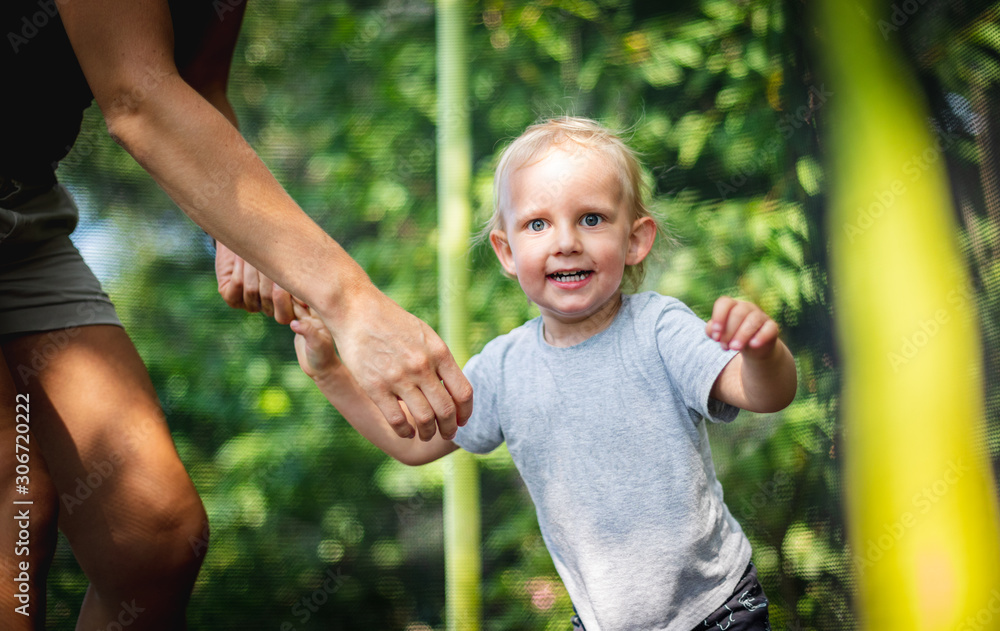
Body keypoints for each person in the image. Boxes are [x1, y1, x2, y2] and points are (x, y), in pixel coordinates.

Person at [1, 1, 471, 629]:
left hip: (21, 208)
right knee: (16, 508)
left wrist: (240, 233)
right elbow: (136, 96)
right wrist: (354, 303)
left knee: (154, 540)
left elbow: (195, 88)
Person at [289, 117, 798, 630]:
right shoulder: (504, 368)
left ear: (636, 240)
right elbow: (415, 444)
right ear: (507, 251)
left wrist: (762, 353)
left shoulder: (659, 329)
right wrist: (331, 371)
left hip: (717, 609)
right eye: (538, 224)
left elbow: (764, 393)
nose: (566, 242)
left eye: (592, 219)